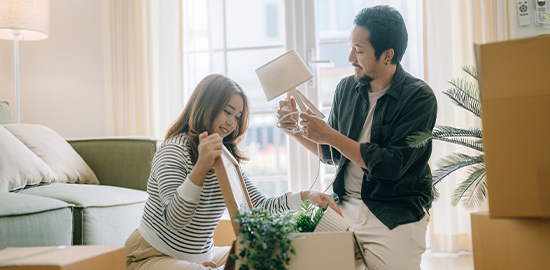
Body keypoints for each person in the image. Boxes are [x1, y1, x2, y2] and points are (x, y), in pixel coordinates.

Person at [277, 5, 437, 270]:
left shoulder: (419, 98)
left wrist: (328, 134)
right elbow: (333, 154)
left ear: (387, 55)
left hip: (394, 212)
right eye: (351, 47)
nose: (350, 57)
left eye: (359, 50)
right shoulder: (346, 89)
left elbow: (391, 166)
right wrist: (293, 129)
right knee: (303, 261)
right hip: (345, 206)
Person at [125, 74, 340, 270]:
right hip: (151, 254)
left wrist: (306, 197)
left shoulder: (225, 156)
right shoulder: (174, 150)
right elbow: (174, 220)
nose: (232, 122)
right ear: (206, 106)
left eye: (237, 116)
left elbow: (258, 207)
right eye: (227, 112)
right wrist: (201, 166)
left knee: (269, 260)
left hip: (200, 256)